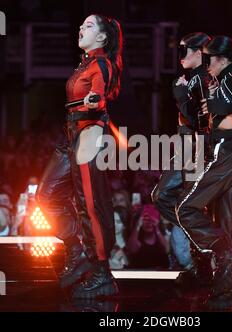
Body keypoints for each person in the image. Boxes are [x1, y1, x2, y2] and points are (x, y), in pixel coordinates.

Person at [173, 35, 232, 310]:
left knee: (186, 209)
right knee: (229, 224)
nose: (205, 64)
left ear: (220, 58)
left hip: (229, 151)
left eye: (207, 59)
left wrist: (229, 106)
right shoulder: (224, 78)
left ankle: (227, 258)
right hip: (230, 149)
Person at [36, 14, 123, 299]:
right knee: (47, 195)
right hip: (72, 134)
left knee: (90, 205)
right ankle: (77, 250)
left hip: (89, 134)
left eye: (88, 26)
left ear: (102, 37)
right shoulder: (86, 62)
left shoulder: (101, 63)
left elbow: (100, 93)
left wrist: (96, 99)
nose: (80, 28)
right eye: (81, 24)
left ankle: (101, 273)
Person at [152, 32, 214, 285]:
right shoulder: (192, 79)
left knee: (187, 204)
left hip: (198, 149)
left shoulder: (203, 79)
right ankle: (204, 257)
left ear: (199, 53)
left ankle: (205, 263)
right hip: (187, 148)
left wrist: (179, 94)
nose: (179, 57)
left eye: (184, 51)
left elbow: (201, 122)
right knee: (167, 198)